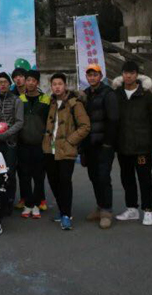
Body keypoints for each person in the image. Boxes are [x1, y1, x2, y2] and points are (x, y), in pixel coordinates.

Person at [112, 61, 152, 226]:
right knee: (127, 179)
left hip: (142, 147)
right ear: (122, 74)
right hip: (123, 145)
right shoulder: (116, 95)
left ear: (137, 75)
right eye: (126, 73)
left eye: (132, 73)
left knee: (145, 180)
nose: (128, 76)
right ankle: (131, 208)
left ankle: (148, 210)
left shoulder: (147, 96)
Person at [44, 73, 91, 231]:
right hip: (49, 149)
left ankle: (66, 214)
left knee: (64, 181)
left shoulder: (74, 103)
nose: (57, 87)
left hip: (66, 148)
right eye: (54, 84)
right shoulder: (50, 102)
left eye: (60, 84)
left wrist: (70, 141)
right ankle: (62, 209)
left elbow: (85, 126)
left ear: (65, 85)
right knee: (53, 181)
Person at [82, 63, 119, 229]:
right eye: (89, 75)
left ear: (100, 76)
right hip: (89, 143)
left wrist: (108, 143)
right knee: (94, 177)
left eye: (95, 75)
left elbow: (113, 119)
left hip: (104, 143)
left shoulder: (108, 94)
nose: (92, 78)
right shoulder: (85, 94)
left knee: (104, 177)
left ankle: (106, 211)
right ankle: (99, 206)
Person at [0, 72, 23, 212]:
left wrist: (6, 134)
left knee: (9, 172)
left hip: (10, 142)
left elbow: (19, 122)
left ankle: (9, 200)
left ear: (9, 84)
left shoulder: (16, 100)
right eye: (0, 82)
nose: (2, 85)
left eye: (5, 82)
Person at [17, 70, 50, 218]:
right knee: (24, 176)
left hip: (39, 144)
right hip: (23, 144)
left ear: (37, 82)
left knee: (38, 176)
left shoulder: (46, 99)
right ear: (25, 82)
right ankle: (28, 204)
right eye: (28, 80)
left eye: (33, 80)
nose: (30, 83)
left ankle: (37, 204)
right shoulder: (20, 99)